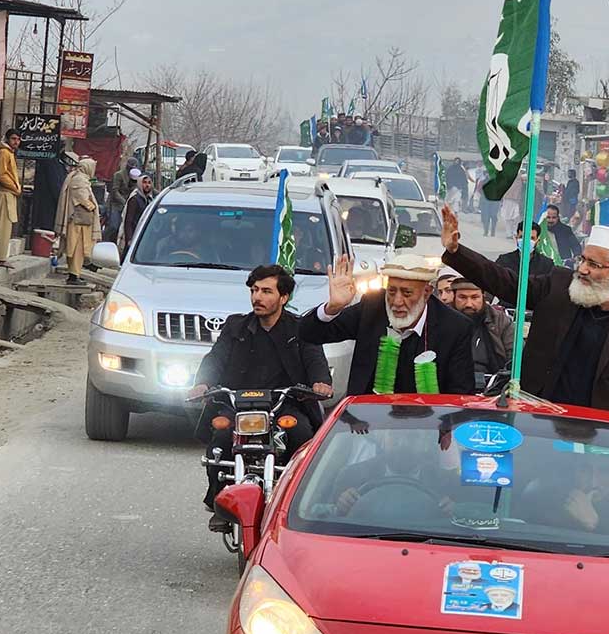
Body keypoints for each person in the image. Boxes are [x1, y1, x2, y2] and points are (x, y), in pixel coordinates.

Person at [441, 205, 609, 421]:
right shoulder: (558, 285)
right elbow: (505, 282)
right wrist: (456, 252)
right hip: (538, 421)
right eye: (583, 259)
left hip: (601, 435)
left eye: (594, 265)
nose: (582, 269)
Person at [189, 265, 334, 530]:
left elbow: (314, 359)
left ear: (283, 297)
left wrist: (320, 382)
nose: (258, 297)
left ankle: (299, 501)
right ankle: (219, 499)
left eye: (266, 291)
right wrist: (203, 383)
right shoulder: (236, 326)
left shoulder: (301, 328)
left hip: (284, 404)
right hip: (238, 405)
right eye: (254, 290)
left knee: (301, 434)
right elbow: (216, 357)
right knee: (220, 435)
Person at [300, 253, 476, 396]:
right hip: (367, 423)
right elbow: (310, 334)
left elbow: (460, 394)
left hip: (427, 425)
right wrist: (333, 307)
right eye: (391, 292)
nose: (397, 301)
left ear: (427, 292)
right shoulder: (372, 306)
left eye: (407, 293)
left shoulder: (455, 327)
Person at [450, 276, 515, 387]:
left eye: (475, 297)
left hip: (492, 386)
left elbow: (515, 358)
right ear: (454, 297)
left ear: (483, 297)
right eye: (462, 297)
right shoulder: (443, 320)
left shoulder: (500, 321)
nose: (469, 304)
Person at [56, 156, 99, 285]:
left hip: (79, 221)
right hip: (78, 222)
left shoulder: (80, 178)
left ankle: (75, 274)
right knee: (77, 249)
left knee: (77, 248)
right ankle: (74, 276)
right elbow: (82, 198)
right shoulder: (80, 180)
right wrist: (92, 206)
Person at [0, 129, 23, 267]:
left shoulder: (9, 153)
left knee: (6, 225)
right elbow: (1, 175)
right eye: (13, 139)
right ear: (7, 139)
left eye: (18, 139)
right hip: (5, 193)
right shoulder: (4, 152)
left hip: (9, 193)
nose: (16, 142)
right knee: (2, 226)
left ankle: (1, 257)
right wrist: (15, 188)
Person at [120, 172, 154, 256]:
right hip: (134, 234)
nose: (147, 185)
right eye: (144, 182)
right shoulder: (134, 199)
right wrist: (129, 239)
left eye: (149, 183)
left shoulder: (150, 199)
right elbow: (128, 221)